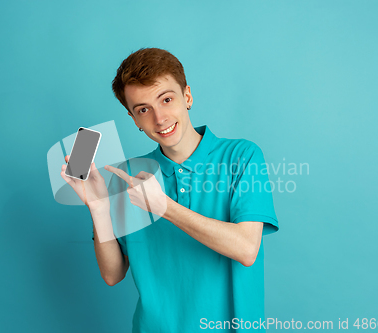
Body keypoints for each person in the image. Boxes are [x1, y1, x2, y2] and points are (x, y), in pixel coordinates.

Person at [61, 48, 279, 332]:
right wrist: (99, 208)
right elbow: (113, 274)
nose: (160, 118)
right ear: (133, 119)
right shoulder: (127, 176)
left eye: (166, 99)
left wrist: (163, 206)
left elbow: (246, 248)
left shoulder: (242, 156)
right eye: (143, 110)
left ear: (187, 96)